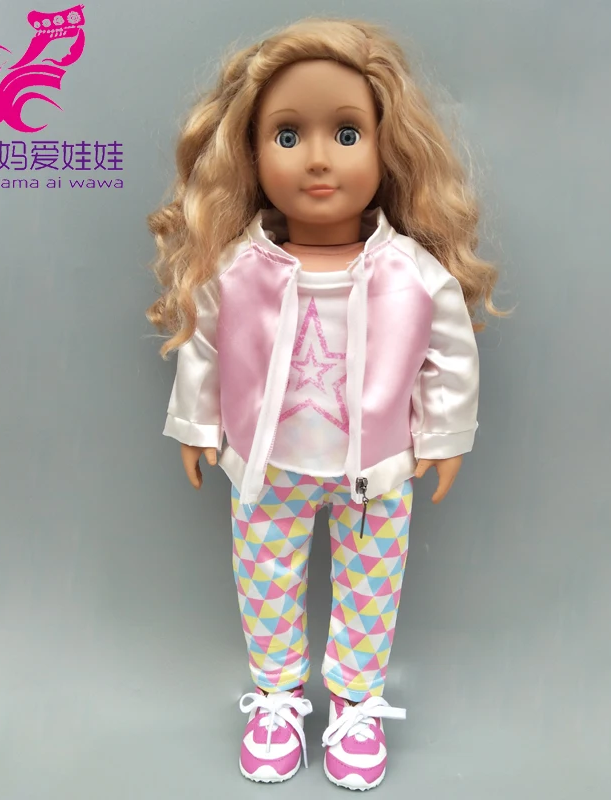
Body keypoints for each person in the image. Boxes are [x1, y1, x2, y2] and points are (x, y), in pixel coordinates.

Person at [146, 17, 502, 790]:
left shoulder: (411, 272)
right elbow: (205, 347)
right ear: (250, 152)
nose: (316, 158)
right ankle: (277, 698)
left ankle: (355, 703)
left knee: (371, 589)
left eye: (346, 133)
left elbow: (450, 356)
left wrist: (445, 436)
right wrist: (197, 426)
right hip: (265, 465)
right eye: (287, 135)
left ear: (386, 146)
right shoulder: (237, 269)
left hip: (376, 472)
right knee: (264, 584)